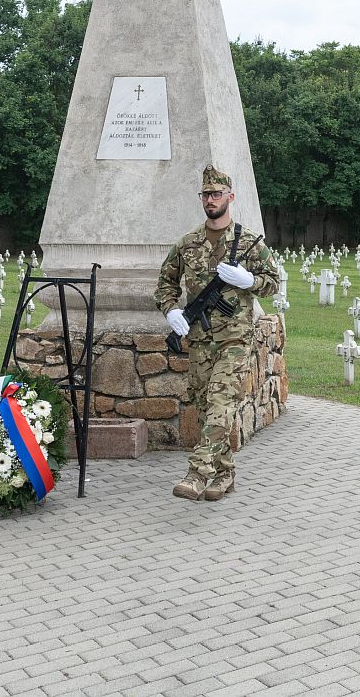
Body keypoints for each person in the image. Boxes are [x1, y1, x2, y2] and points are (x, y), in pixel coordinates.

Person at [153, 165, 281, 502]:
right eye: (206, 195)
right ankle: (225, 474)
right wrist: (172, 311)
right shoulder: (187, 244)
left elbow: (273, 283)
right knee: (205, 405)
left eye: (216, 194)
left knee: (221, 401)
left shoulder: (250, 242)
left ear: (230, 197)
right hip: (199, 338)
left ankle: (198, 473)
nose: (211, 200)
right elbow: (164, 284)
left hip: (236, 339)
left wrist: (249, 281)